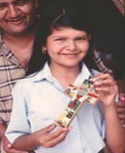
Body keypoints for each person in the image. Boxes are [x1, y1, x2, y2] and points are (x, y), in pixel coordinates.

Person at [5, 4, 124, 153]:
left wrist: (109, 106)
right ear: (44, 44)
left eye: (80, 39)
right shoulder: (27, 87)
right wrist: (35, 139)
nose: (71, 47)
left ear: (89, 40)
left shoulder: (102, 84)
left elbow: (119, 149)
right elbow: (16, 140)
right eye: (60, 39)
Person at [0, 0, 40, 152]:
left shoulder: (64, 41)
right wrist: (7, 137)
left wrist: (117, 103)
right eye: (1, 6)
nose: (13, 13)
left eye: (20, 2)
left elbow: (103, 81)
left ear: (36, 3)